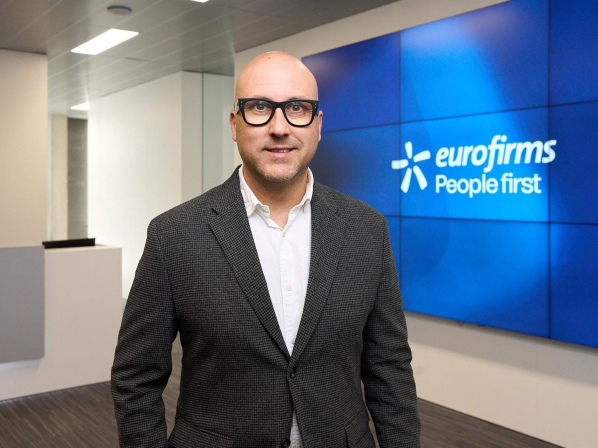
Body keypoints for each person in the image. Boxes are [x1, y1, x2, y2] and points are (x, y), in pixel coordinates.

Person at [111, 51, 420, 448]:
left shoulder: (366, 229)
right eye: (259, 107)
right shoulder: (174, 234)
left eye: (297, 108)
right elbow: (135, 378)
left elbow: (389, 367)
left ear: (318, 124)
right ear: (234, 124)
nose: (280, 127)